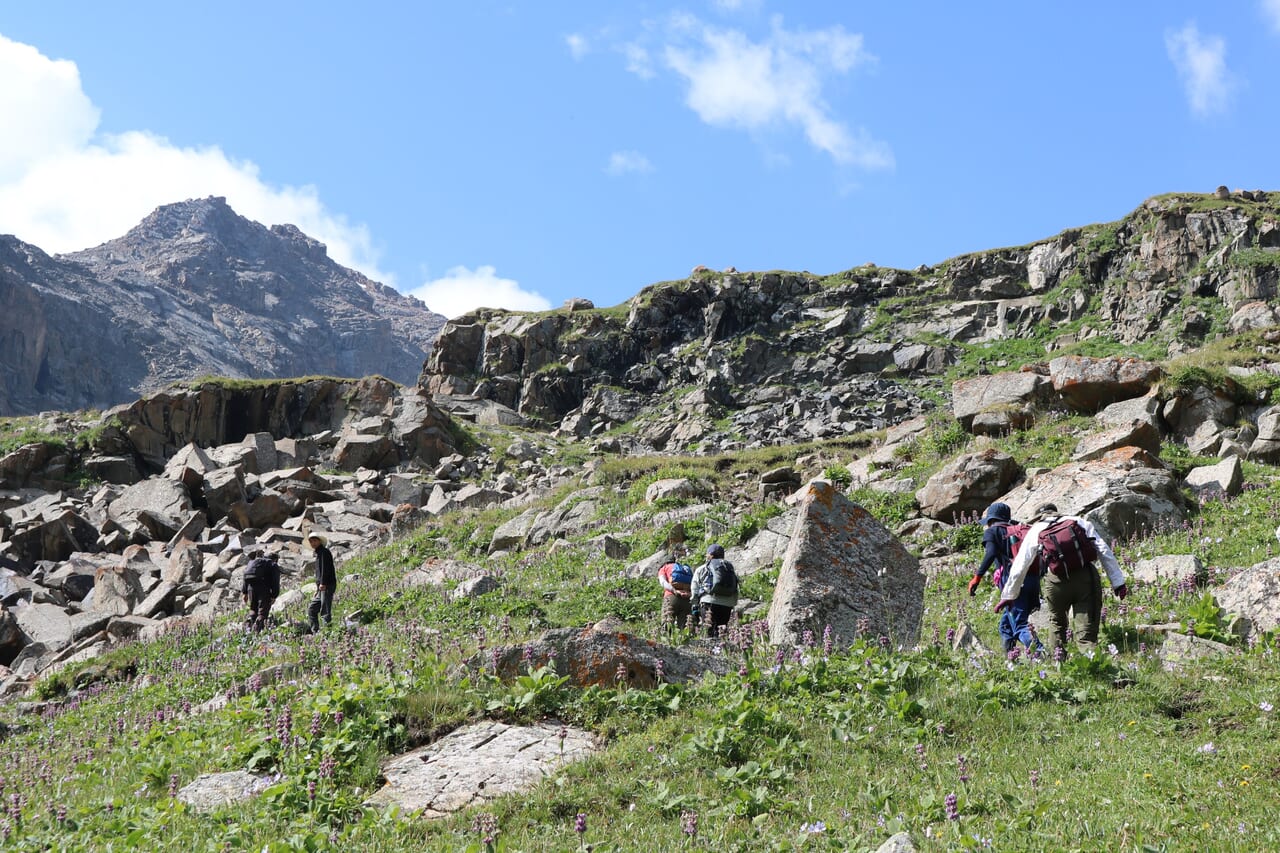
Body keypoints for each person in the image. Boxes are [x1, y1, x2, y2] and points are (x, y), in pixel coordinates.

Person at [996, 503, 1127, 654]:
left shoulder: (1036, 530)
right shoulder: (1079, 521)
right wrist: (1118, 583)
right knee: (1086, 634)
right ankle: (1092, 665)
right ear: (1056, 512)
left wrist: (1009, 595)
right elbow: (1103, 550)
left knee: (1057, 624)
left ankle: (1059, 665)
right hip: (1085, 577)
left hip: (1056, 582)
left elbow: (1020, 565)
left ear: (1039, 517)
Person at [968, 502, 1042, 654]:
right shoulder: (1018, 531)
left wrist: (977, 578)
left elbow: (991, 553)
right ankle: (1011, 659)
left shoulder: (992, 531)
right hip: (1033, 580)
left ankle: (1042, 653)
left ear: (990, 520)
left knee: (1020, 625)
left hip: (1014, 583)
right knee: (1006, 625)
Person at [691, 544, 739, 638]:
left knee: (709, 630)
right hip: (727, 603)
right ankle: (721, 650)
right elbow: (736, 585)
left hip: (709, 601)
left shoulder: (702, 568)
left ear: (709, 555)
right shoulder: (729, 568)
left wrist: (694, 604)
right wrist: (733, 603)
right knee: (722, 631)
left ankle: (709, 651)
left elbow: (695, 587)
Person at [243, 549, 280, 632]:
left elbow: (245, 576)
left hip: (250, 588)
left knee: (253, 609)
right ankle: (258, 631)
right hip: (264, 589)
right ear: (275, 559)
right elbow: (275, 581)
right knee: (262, 612)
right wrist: (274, 595)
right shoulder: (272, 565)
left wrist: (244, 592)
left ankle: (248, 626)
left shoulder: (254, 563)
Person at [657, 546, 694, 631]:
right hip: (687, 599)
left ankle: (667, 642)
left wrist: (674, 590)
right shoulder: (684, 569)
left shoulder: (664, 568)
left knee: (667, 625)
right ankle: (684, 642)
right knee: (684, 628)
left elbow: (663, 582)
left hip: (671, 597)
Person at [306, 532, 337, 632]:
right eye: (311, 541)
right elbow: (319, 573)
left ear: (319, 541)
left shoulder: (324, 552)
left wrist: (323, 583)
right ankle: (315, 630)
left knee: (325, 610)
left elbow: (325, 569)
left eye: (314, 541)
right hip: (321, 586)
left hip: (327, 585)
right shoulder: (319, 553)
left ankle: (327, 631)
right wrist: (318, 587)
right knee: (312, 609)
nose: (313, 543)